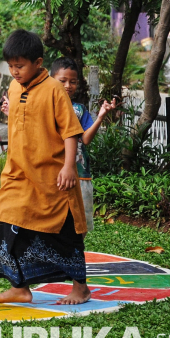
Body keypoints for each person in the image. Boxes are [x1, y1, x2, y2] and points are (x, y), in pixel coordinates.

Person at [0, 29, 90, 306]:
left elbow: (71, 132)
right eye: (10, 66)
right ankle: (19, 287)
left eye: (19, 66)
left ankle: (80, 288)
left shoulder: (55, 89)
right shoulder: (13, 86)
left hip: (53, 177)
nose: (14, 71)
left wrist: (69, 167)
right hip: (18, 174)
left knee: (65, 232)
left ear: (38, 62)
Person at [49, 58, 117, 233]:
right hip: (52, 173)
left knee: (79, 223)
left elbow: (85, 139)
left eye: (72, 81)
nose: (68, 85)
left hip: (80, 173)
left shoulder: (79, 110)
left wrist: (100, 117)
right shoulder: (45, 107)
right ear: (51, 80)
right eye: (62, 80)